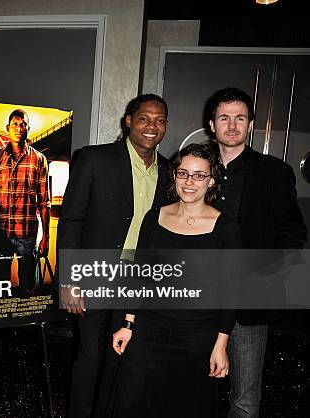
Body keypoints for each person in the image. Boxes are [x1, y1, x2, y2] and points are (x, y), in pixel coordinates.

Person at [58, 94, 170, 417]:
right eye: (145, 118)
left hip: (137, 282)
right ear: (128, 121)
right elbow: (71, 221)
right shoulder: (95, 160)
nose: (152, 126)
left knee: (118, 359)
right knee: (90, 359)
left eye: (160, 120)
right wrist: (69, 280)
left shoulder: (167, 171)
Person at [112, 143, 240, 417]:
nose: (189, 182)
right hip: (148, 330)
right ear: (174, 176)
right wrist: (127, 324)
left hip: (197, 337)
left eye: (199, 175)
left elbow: (230, 290)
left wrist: (221, 344)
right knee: (134, 403)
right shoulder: (154, 217)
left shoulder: (226, 227)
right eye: (183, 173)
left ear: (212, 180)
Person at [205, 87, 307, 418]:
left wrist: (260, 277)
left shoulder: (274, 172)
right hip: (197, 299)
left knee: (245, 399)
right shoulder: (194, 169)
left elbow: (292, 236)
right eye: (224, 118)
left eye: (239, 118)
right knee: (190, 387)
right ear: (211, 125)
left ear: (250, 125)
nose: (232, 125)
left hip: (247, 303)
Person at [0, 109, 50, 294]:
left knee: (28, 288)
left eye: (23, 124)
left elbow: (44, 202)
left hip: (27, 234)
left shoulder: (39, 160)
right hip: (0, 233)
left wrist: (46, 238)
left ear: (28, 128)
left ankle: (27, 321)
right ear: (8, 128)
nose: (19, 128)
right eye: (15, 124)